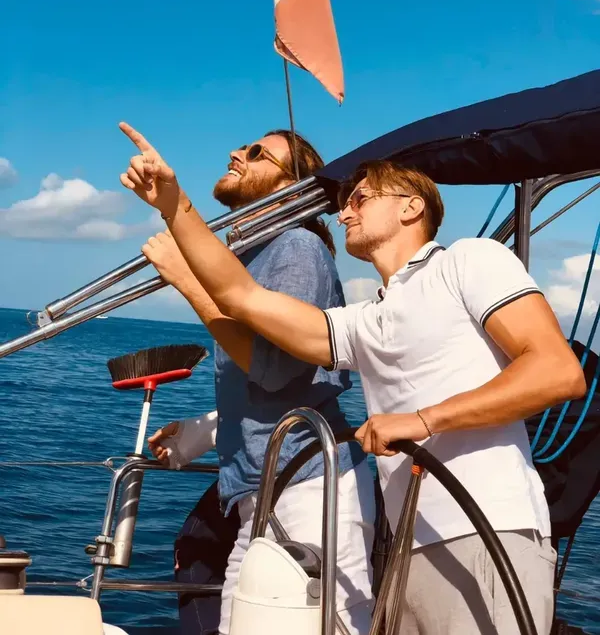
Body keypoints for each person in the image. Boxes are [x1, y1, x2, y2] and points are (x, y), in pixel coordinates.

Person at [119, 127, 587, 635]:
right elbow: (242, 298)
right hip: (408, 543)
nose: (343, 214)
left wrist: (423, 420)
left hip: (488, 529)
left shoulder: (469, 260)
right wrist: (174, 203)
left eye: (360, 199)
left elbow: (556, 371)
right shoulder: (367, 320)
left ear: (411, 207)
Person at [124, 126, 375, 635]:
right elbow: (268, 393)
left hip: (311, 494)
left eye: (258, 153)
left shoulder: (298, 247)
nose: (237, 152)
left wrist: (186, 278)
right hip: (260, 498)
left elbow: (276, 369)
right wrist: (198, 433)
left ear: (291, 187)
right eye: (243, 146)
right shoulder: (253, 259)